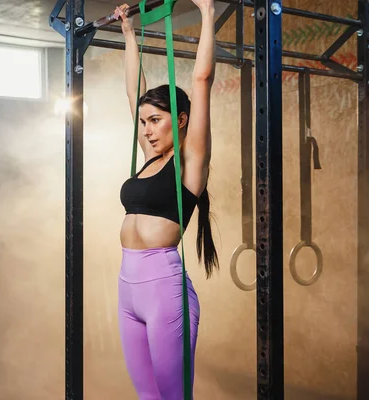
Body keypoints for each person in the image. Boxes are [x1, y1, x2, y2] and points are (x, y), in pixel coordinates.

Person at [115, 1, 218, 399]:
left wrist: (207, 13)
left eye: (155, 120)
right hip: (128, 288)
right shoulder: (148, 159)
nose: (147, 130)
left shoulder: (190, 164)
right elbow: (134, 92)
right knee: (148, 397)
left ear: (180, 119)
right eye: (143, 123)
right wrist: (128, 34)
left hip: (163, 291)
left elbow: (202, 79)